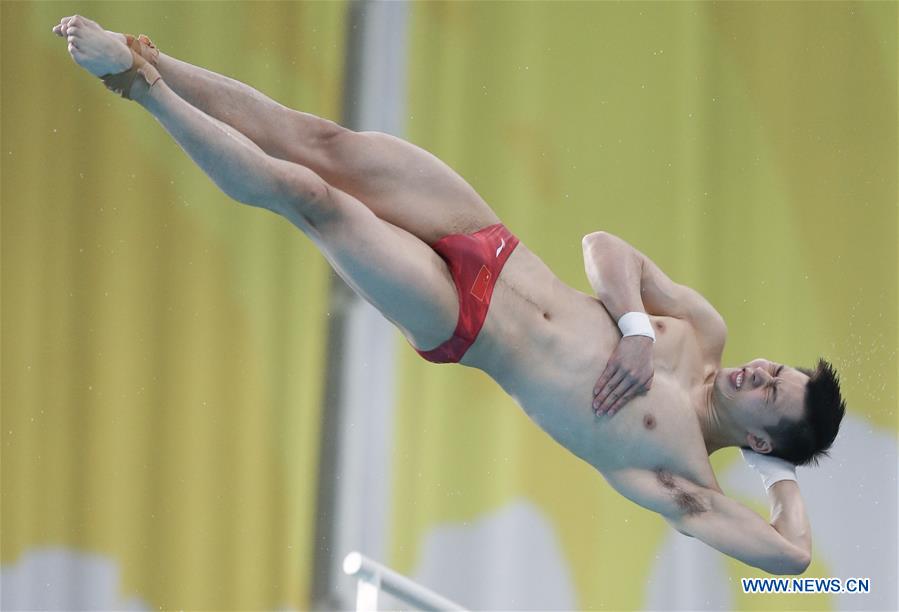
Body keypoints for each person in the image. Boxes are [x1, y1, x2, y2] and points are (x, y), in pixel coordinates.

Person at [53, 15, 846, 575]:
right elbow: (604, 248)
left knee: (312, 200)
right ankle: (151, 56)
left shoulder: (680, 478)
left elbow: (792, 559)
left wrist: (776, 479)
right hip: (485, 238)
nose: (762, 370)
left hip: (460, 321)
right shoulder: (701, 330)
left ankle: (138, 85)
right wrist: (635, 330)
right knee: (319, 141)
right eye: (778, 367)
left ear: (761, 437)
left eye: (772, 392)